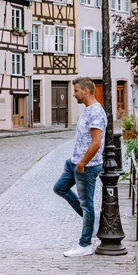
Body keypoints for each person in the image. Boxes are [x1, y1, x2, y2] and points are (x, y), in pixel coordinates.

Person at [53, 77, 107, 258]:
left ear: (85, 91)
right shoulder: (86, 110)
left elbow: (96, 143)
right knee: (59, 188)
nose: (73, 93)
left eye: (76, 90)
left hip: (87, 165)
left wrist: (82, 164)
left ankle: (85, 244)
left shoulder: (96, 113)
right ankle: (93, 223)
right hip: (74, 163)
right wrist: (74, 162)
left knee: (87, 204)